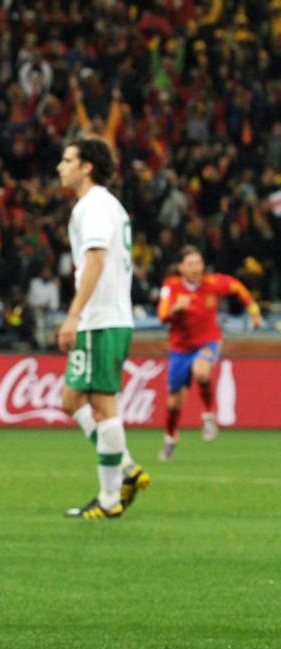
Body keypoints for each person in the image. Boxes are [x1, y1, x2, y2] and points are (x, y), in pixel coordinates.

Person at [54, 137, 149, 519]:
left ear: (86, 166)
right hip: (110, 317)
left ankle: (111, 497)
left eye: (67, 160)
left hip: (100, 318)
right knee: (71, 400)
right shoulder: (108, 205)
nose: (61, 167)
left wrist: (75, 314)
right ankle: (124, 466)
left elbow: (94, 261)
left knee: (101, 405)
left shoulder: (92, 206)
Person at [156, 246, 262, 460]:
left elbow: (238, 288)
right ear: (181, 267)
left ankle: (208, 415)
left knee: (202, 371)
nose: (196, 268)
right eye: (191, 264)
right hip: (180, 350)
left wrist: (254, 311)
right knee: (172, 403)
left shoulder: (213, 283)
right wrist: (176, 308)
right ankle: (170, 438)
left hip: (208, 342)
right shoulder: (171, 286)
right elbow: (162, 315)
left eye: (199, 263)